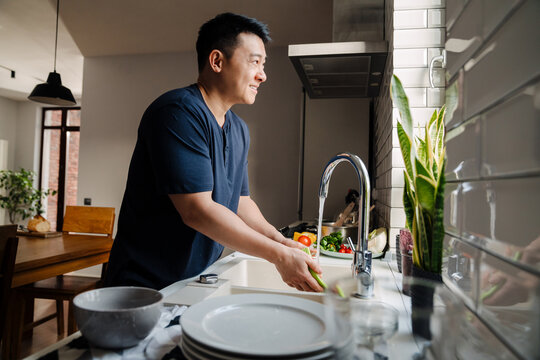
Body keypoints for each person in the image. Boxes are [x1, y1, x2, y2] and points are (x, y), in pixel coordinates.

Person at [104, 12, 323, 292]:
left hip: (192, 279)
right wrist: (278, 256)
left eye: (263, 64)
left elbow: (241, 201)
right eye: (255, 61)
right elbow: (197, 210)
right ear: (217, 61)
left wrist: (282, 242)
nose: (263, 75)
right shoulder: (178, 112)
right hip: (144, 287)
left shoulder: (239, 129)